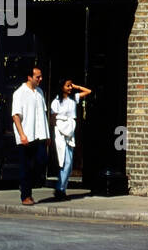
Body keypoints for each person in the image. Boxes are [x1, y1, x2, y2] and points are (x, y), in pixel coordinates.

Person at [11, 66, 49, 206]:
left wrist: (47, 135)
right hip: (26, 136)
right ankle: (25, 195)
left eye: (40, 76)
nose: (40, 79)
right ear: (29, 77)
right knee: (25, 166)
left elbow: (42, 114)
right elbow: (15, 116)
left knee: (41, 161)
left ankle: (27, 188)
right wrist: (21, 134)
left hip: (39, 135)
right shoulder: (19, 93)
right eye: (37, 77)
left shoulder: (39, 92)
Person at [49, 78, 92, 201]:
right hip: (60, 132)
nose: (70, 88)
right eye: (67, 86)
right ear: (61, 87)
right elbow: (53, 119)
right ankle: (60, 190)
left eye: (70, 85)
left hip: (70, 132)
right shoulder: (56, 102)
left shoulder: (74, 99)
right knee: (64, 161)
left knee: (70, 162)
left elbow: (88, 91)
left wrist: (76, 86)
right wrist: (55, 135)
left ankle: (61, 188)